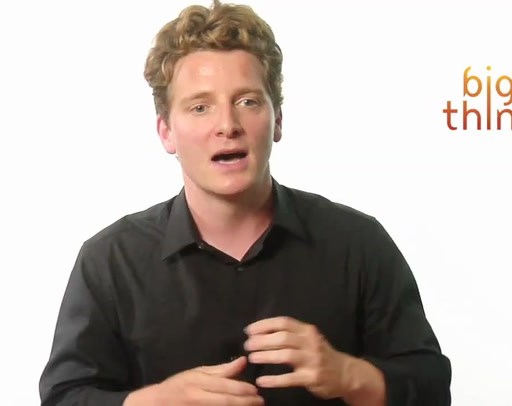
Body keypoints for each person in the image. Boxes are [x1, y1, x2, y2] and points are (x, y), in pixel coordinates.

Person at [39, 1, 452, 405]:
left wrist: (348, 375)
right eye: (200, 107)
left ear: (278, 120)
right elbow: (64, 396)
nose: (227, 125)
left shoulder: (358, 243)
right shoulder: (110, 260)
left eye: (247, 102)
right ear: (166, 132)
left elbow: (432, 387)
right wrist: (153, 402)